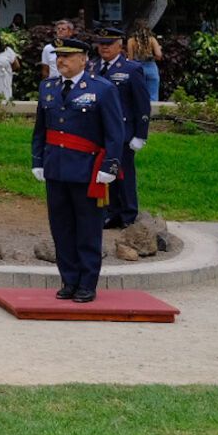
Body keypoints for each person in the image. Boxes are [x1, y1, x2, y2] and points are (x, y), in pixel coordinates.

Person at [33, 41, 126, 304]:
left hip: (87, 171)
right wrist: (38, 160)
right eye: (59, 56)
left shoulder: (102, 89)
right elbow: (41, 129)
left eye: (67, 56)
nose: (61, 61)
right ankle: (69, 280)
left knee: (87, 229)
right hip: (56, 168)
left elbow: (114, 133)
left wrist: (110, 166)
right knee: (61, 228)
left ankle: (87, 283)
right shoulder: (48, 87)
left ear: (83, 60)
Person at [90, 26, 153, 229]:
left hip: (124, 132)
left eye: (109, 44)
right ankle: (111, 212)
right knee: (105, 173)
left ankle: (128, 214)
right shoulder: (92, 67)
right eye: (101, 44)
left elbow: (142, 103)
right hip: (99, 132)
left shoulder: (131, 69)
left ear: (120, 45)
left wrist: (140, 134)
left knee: (124, 174)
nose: (104, 48)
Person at [127, 21, 163, 104]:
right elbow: (158, 55)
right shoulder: (152, 39)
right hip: (151, 67)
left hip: (137, 68)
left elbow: (130, 59)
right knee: (153, 96)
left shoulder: (131, 41)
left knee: (138, 95)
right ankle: (152, 115)